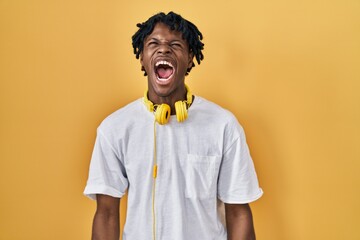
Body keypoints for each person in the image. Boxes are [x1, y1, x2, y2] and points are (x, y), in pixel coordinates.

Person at [84, 11, 263, 240]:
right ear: (142, 56)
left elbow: (238, 213)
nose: (164, 49)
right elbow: (107, 213)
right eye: (153, 43)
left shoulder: (224, 125)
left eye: (175, 44)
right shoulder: (114, 129)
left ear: (190, 58)